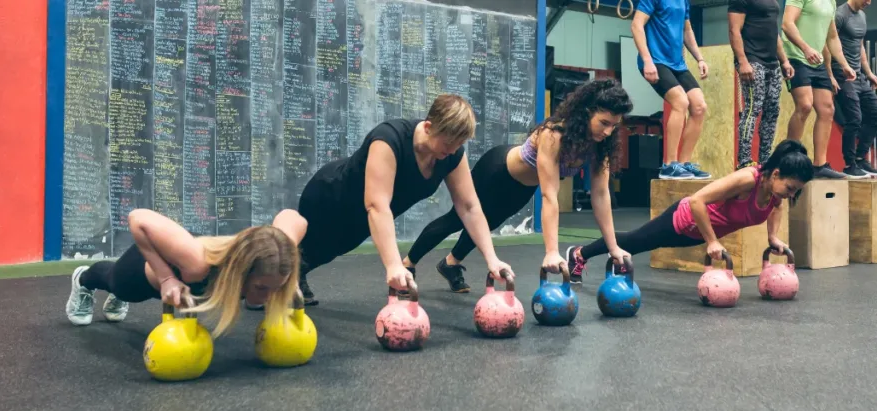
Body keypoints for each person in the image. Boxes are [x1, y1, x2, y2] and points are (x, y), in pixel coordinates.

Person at [401, 79, 634, 291]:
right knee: (456, 220)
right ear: (586, 113)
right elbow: (550, 196)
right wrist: (551, 252)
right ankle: (408, 264)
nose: (608, 131)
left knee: (487, 223)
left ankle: (451, 264)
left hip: (521, 188)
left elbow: (601, 195)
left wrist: (613, 247)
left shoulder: (601, 145)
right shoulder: (554, 135)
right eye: (603, 122)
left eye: (614, 125)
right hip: (496, 172)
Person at [296, 94, 514, 305]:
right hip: (329, 198)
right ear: (428, 128)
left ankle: (293, 274)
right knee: (309, 245)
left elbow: (469, 207)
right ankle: (269, 280)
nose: (454, 150)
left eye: (459, 144)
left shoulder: (451, 155)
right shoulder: (389, 139)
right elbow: (378, 205)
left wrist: (492, 259)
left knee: (327, 251)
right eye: (449, 143)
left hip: (359, 216)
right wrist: (394, 265)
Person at [564, 140, 814, 280]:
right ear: (776, 174)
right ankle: (579, 253)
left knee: (636, 244)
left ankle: (598, 256)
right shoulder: (748, 180)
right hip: (682, 220)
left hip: (695, 234)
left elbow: (777, 207)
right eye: (790, 188)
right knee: (634, 242)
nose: (790, 195)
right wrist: (713, 242)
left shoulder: (775, 192)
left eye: (795, 192)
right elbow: (697, 201)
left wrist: (772, 237)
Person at [65, 208, 307, 339]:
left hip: (182, 252)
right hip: (143, 272)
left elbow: (293, 217)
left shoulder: (275, 254)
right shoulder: (198, 266)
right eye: (261, 288)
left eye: (274, 288)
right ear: (241, 272)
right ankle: (82, 279)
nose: (268, 297)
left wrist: (286, 281)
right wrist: (166, 278)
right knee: (115, 283)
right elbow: (138, 218)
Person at [631, 0, 713, 181]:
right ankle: (669, 165)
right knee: (681, 102)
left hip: (677, 64)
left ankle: (683, 164)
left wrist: (699, 58)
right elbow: (636, 25)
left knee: (699, 106)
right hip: (656, 61)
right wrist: (647, 60)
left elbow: (687, 30)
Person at [781, 0, 857, 179]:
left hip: (817, 61)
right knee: (805, 105)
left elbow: (832, 37)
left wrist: (844, 64)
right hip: (796, 57)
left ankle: (819, 165)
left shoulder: (830, 2)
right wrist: (806, 48)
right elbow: (786, 24)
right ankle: (789, 162)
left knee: (827, 109)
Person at [728, 0, 796, 170]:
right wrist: (743, 61)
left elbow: (775, 33)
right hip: (752, 59)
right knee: (753, 108)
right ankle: (744, 160)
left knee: (772, 110)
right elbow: (734, 30)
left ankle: (765, 160)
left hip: (772, 61)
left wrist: (785, 61)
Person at [827, 0, 877, 178]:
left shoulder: (862, 16)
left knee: (876, 115)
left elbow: (860, 47)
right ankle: (850, 164)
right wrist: (830, 75)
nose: (869, 2)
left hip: (858, 76)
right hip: (842, 74)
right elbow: (827, 43)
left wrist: (869, 73)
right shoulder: (840, 14)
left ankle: (860, 158)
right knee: (854, 118)